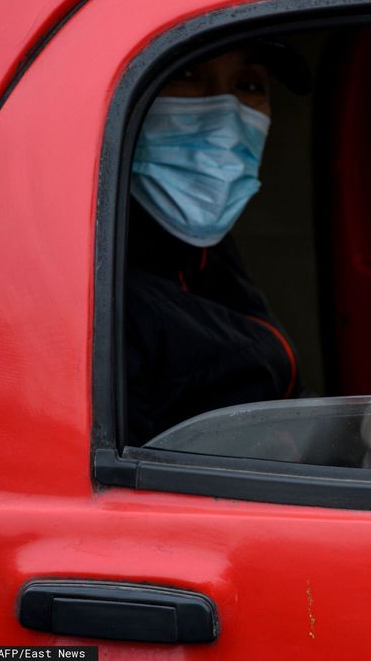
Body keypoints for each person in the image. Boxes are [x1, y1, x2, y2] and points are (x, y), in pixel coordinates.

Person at [123, 44, 311, 446]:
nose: (226, 113)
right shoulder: (104, 292)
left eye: (247, 85)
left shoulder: (202, 246)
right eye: (187, 76)